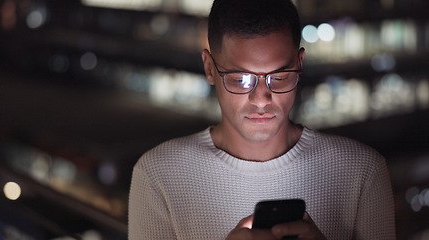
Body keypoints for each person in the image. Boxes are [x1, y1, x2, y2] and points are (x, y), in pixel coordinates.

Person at [128, 0, 396, 239]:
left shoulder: (362, 171)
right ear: (209, 68)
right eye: (241, 79)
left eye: (279, 77)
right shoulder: (157, 176)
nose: (261, 99)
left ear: (300, 65)